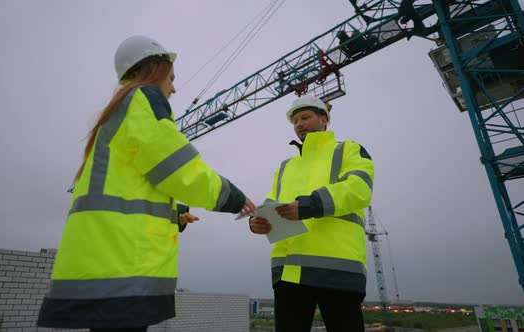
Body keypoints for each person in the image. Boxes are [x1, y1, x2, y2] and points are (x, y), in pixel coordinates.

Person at [37, 35, 256, 332]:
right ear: (154, 69)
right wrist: (232, 196)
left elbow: (129, 189)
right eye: (172, 77)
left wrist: (173, 215)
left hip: (106, 261)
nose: (174, 88)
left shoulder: (120, 111)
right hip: (123, 267)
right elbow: (178, 169)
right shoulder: (144, 99)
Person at [249, 95, 374, 332]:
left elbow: (359, 189)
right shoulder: (285, 167)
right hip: (289, 273)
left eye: (305, 117)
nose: (299, 123)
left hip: (337, 270)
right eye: (295, 120)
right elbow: (271, 204)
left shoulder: (348, 150)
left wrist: (309, 206)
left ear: (324, 119)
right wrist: (256, 222)